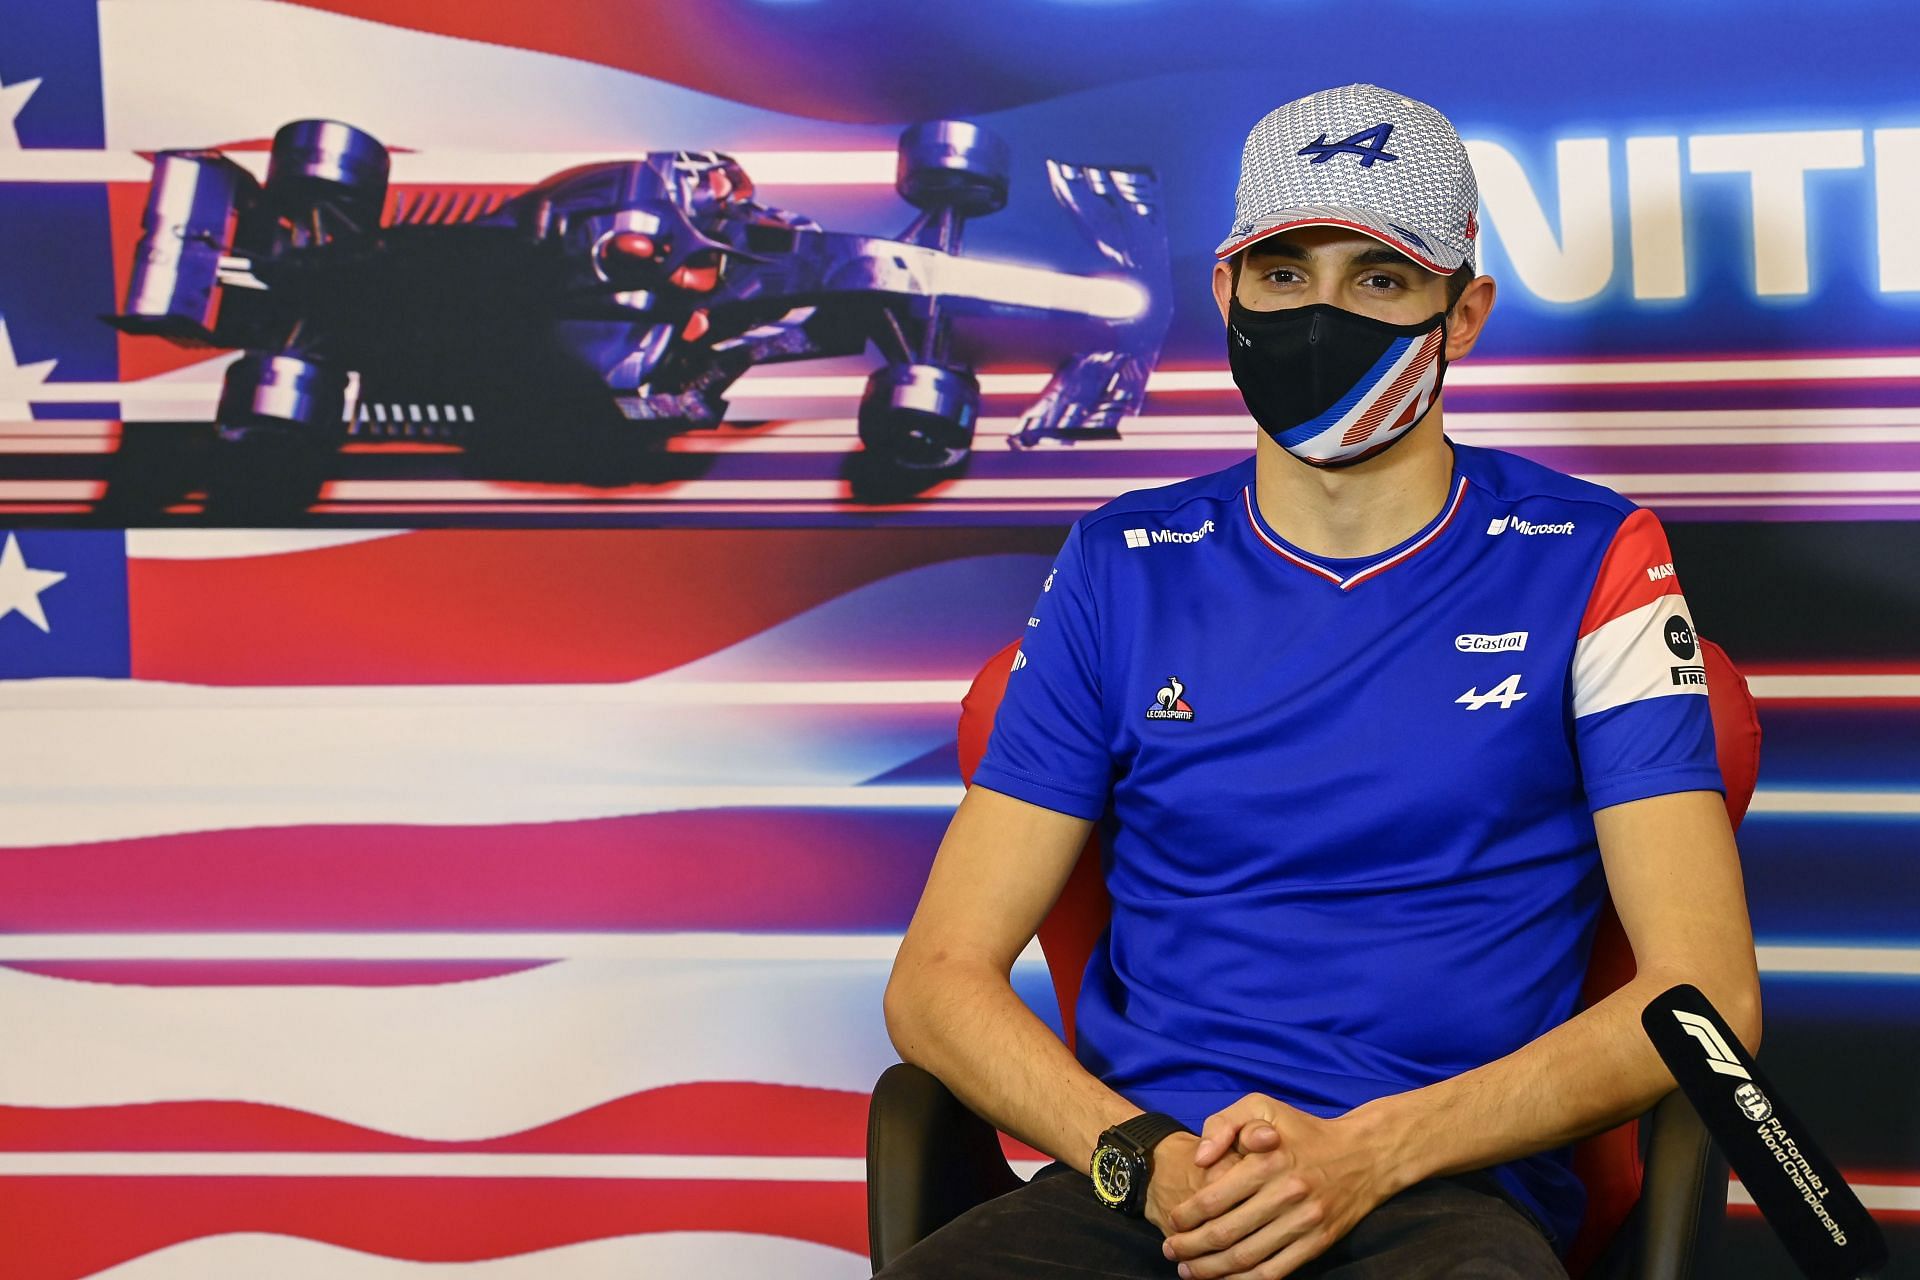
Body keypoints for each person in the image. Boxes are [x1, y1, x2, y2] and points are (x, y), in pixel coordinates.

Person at [880, 83, 1761, 1279]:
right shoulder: (1117, 561)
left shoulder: (1598, 555)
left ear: (1463, 315)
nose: (1321, 312)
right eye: (1285, 273)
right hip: (1147, 1184)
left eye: (1380, 279)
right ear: (1228, 291)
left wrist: (1370, 1151)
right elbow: (936, 980)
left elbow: (1705, 991)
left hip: (1437, 1186)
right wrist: (1141, 1155)